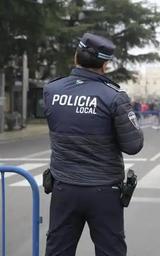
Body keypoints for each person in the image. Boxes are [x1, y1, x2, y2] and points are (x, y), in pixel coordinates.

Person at [43, 32, 144, 256]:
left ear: (75, 56)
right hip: (104, 191)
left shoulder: (52, 91)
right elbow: (133, 145)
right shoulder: (114, 97)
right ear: (105, 65)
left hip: (64, 187)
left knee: (58, 250)